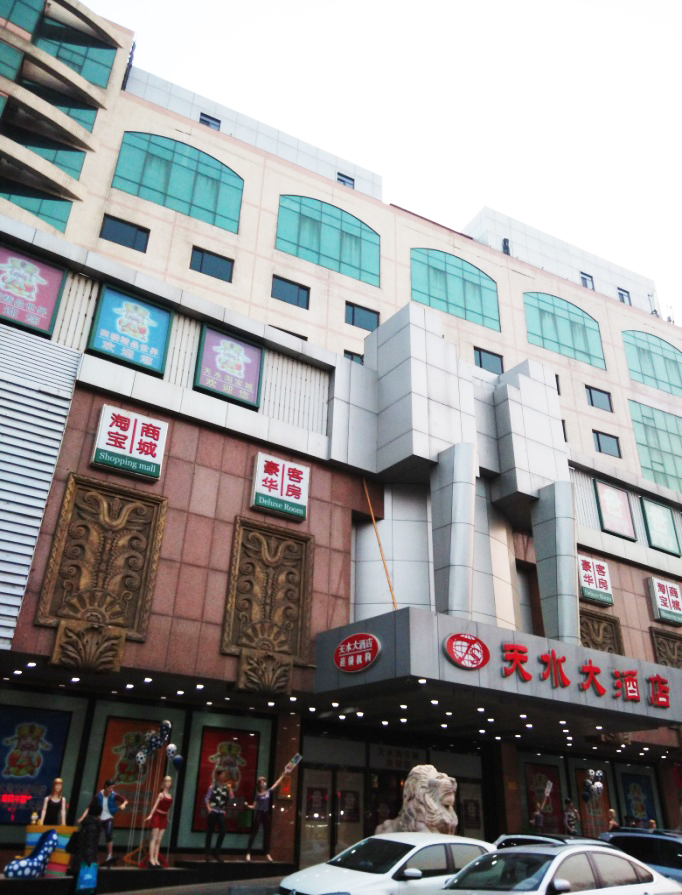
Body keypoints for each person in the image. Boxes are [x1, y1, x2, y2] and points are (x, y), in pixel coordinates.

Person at [80, 779, 128, 865]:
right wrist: (83, 817)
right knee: (95, 836)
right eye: (110, 788)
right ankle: (94, 854)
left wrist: (123, 804)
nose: (111, 790)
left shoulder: (114, 795)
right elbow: (90, 806)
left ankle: (109, 855)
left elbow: (125, 800)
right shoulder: (99, 795)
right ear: (106, 787)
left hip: (109, 817)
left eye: (113, 788)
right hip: (99, 818)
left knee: (109, 833)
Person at [246, 771, 286, 862]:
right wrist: (247, 806)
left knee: (267, 833)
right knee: (254, 832)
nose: (264, 783)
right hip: (259, 813)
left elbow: (276, 784)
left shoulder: (268, 791)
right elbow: (253, 807)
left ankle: (267, 853)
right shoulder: (257, 795)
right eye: (262, 781)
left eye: (264, 781)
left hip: (266, 813)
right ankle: (248, 853)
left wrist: (282, 775)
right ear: (259, 784)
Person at [73, 800, 102, 894]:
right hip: (86, 860)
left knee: (78, 883)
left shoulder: (86, 824)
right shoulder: (93, 827)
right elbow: (90, 844)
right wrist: (91, 860)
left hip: (79, 858)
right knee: (87, 885)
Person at [204, 769, 233, 861]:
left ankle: (216, 852)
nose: (224, 776)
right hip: (213, 810)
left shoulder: (226, 787)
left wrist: (230, 788)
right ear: (218, 776)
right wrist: (209, 809)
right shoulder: (213, 786)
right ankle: (208, 853)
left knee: (223, 831)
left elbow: (231, 798)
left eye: (224, 775)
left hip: (221, 812)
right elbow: (207, 798)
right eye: (222, 775)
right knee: (210, 832)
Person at [145, 776, 172, 868]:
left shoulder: (170, 796)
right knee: (154, 838)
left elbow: (168, 808)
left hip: (164, 817)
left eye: (170, 782)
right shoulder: (161, 795)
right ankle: (151, 859)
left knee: (159, 840)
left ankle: (156, 859)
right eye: (167, 782)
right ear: (163, 783)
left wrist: (167, 817)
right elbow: (155, 806)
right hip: (157, 816)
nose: (168, 783)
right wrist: (150, 815)